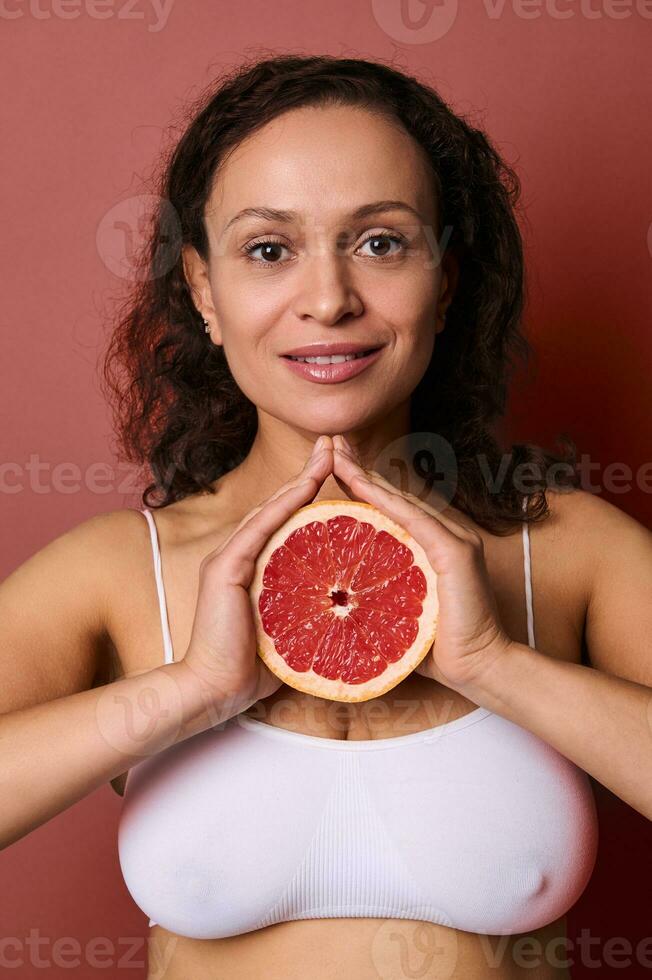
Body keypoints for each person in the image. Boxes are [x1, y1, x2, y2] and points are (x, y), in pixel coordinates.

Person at [2, 54, 650, 980]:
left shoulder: (568, 552)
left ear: (449, 279)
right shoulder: (115, 572)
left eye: (381, 243)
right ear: (203, 293)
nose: (329, 299)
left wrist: (497, 668)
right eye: (269, 250)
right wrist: (190, 692)